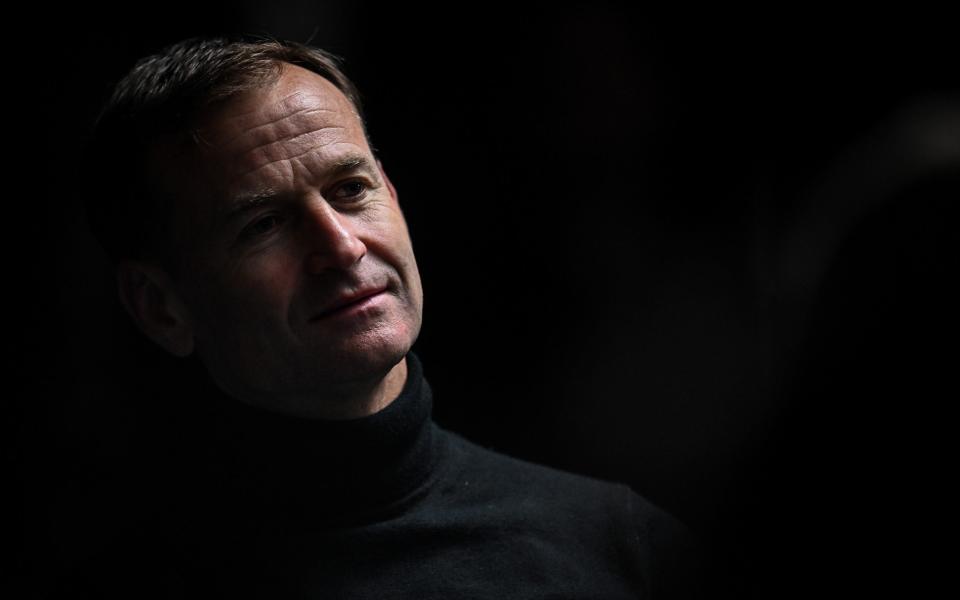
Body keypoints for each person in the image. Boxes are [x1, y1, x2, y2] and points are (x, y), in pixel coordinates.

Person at [64, 35, 713, 598]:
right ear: (160, 307)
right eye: (263, 224)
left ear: (393, 196)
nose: (342, 246)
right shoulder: (112, 584)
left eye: (351, 190)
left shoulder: (621, 550)